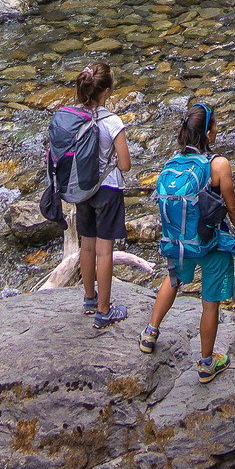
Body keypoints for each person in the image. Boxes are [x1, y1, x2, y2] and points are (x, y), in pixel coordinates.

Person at [139, 100, 235, 380]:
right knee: (209, 302)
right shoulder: (219, 165)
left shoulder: (171, 164)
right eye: (215, 128)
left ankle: (150, 333)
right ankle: (206, 363)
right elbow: (233, 207)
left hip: (179, 244)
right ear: (209, 134)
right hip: (210, 243)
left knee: (173, 280)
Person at [73, 60, 133, 332]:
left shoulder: (77, 118)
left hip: (83, 188)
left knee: (86, 245)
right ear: (108, 90)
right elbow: (125, 164)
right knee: (105, 251)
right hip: (108, 190)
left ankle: (89, 299)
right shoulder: (113, 122)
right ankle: (104, 311)